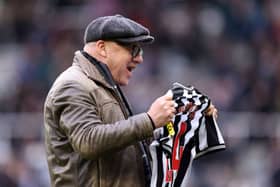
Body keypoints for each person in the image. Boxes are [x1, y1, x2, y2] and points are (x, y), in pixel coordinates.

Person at [43, 14, 217, 187]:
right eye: (132, 49)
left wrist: (183, 121)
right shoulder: (73, 85)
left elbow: (128, 144)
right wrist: (149, 120)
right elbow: (88, 141)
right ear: (102, 48)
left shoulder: (104, 86)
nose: (140, 58)